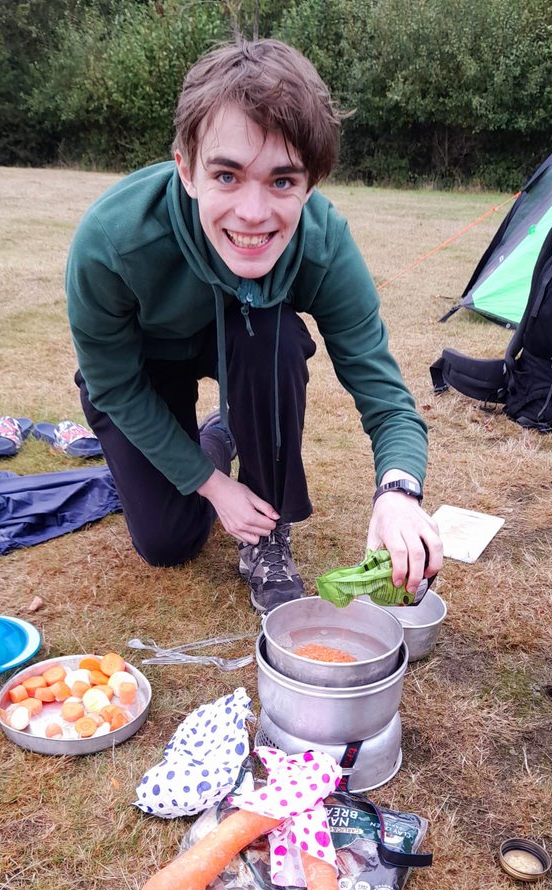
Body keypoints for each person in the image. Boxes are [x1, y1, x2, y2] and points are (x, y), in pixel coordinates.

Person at [65, 38, 443, 614]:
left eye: (282, 181)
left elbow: (386, 397)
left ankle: (268, 533)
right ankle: (217, 437)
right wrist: (212, 484)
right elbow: (113, 383)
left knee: (275, 332)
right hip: (145, 369)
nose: (252, 212)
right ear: (186, 171)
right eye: (226, 176)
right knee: (168, 543)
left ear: (310, 183)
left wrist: (398, 493)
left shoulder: (323, 245)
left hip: (248, 348)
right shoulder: (110, 243)